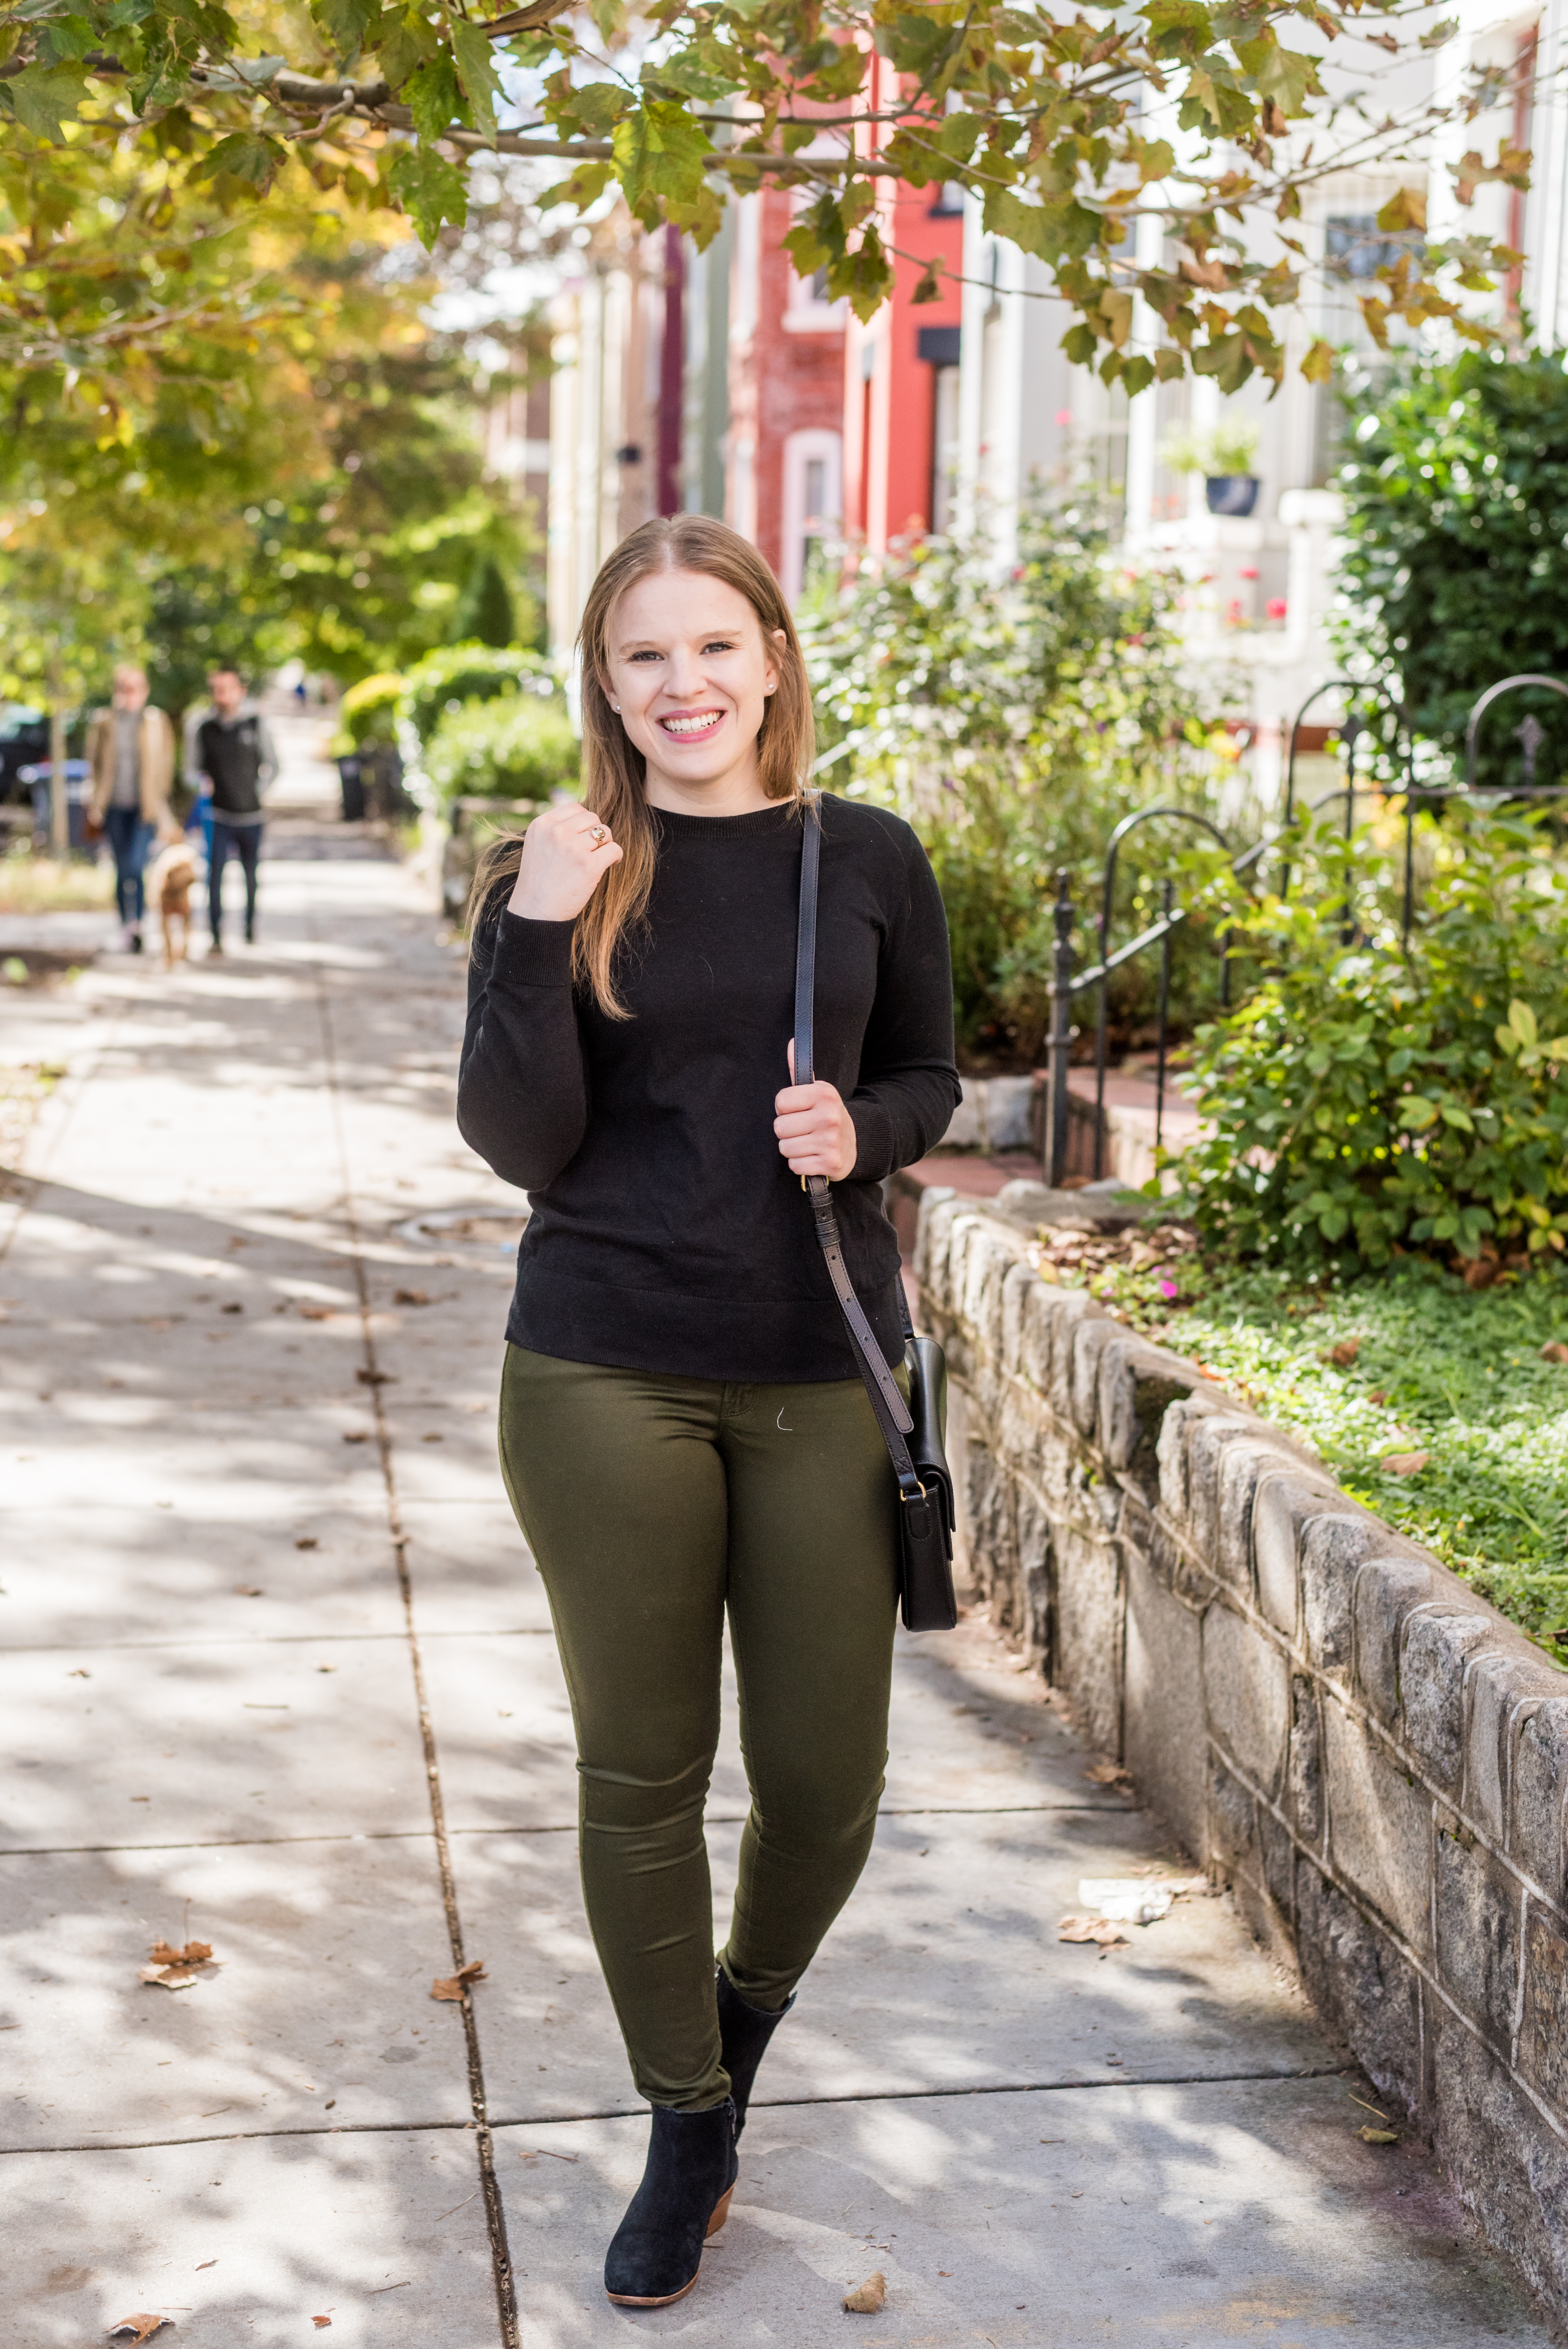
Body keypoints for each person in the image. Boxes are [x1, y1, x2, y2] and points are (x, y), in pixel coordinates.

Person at [457, 516, 960, 2310]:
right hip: (600, 1366)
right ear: (604, 681)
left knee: (825, 1785)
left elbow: (927, 1070)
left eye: (711, 645)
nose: (682, 684)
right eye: (641, 654)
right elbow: (518, 1139)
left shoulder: (869, 856)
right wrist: (530, 920)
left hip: (819, 1373)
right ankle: (683, 2124)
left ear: (770, 656)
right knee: (641, 1775)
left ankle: (729, 2038)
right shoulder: (568, 866)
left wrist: (869, 1134)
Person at [86, 666, 176, 954]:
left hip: (145, 808)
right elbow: (94, 763)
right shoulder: (104, 721)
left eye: (135, 689)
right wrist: (94, 803)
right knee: (121, 868)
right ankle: (127, 925)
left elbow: (167, 761)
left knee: (136, 866)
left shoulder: (155, 721)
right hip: (113, 806)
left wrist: (162, 796)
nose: (130, 695)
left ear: (145, 691)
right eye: (125, 688)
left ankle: (138, 923)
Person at [192, 668, 278, 954]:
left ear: (240, 689)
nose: (222, 695)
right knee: (214, 876)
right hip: (218, 815)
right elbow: (190, 770)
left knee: (251, 876)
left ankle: (250, 929)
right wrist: (202, 784)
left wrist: (259, 789)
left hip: (252, 816)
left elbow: (274, 765)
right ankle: (216, 935)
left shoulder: (255, 724)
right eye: (217, 689)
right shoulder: (204, 727)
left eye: (228, 688)